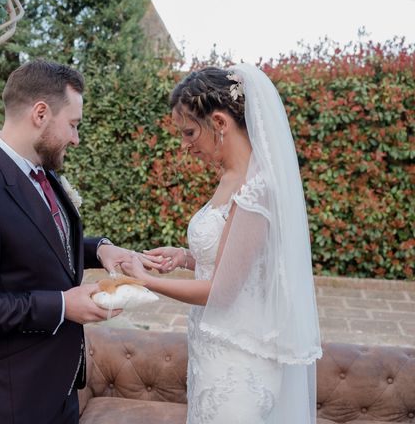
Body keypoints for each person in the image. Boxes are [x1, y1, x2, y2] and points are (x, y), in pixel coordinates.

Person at [122, 64, 322, 423]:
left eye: (188, 132)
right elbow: (236, 257)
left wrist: (143, 280)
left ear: (219, 123)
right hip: (211, 349)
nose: (184, 146)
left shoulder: (256, 188)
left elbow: (224, 290)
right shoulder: (231, 177)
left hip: (238, 362)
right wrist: (185, 257)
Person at [0, 59, 130, 424]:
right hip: (9, 402)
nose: (76, 138)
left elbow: (41, 243)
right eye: (72, 125)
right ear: (40, 113)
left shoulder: (41, 172)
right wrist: (61, 306)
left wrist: (101, 249)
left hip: (58, 390)